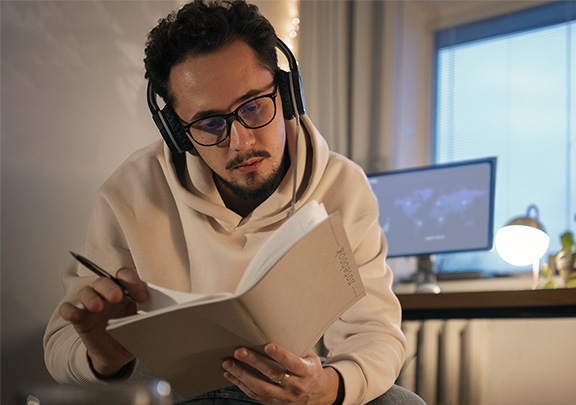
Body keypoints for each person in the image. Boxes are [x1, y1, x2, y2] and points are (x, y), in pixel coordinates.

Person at [43, 1, 424, 404]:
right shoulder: (131, 192)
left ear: (287, 93)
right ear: (179, 132)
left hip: (289, 381)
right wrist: (106, 358)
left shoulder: (343, 187)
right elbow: (60, 346)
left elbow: (375, 333)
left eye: (254, 106)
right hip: (175, 388)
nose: (241, 142)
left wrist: (324, 390)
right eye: (209, 123)